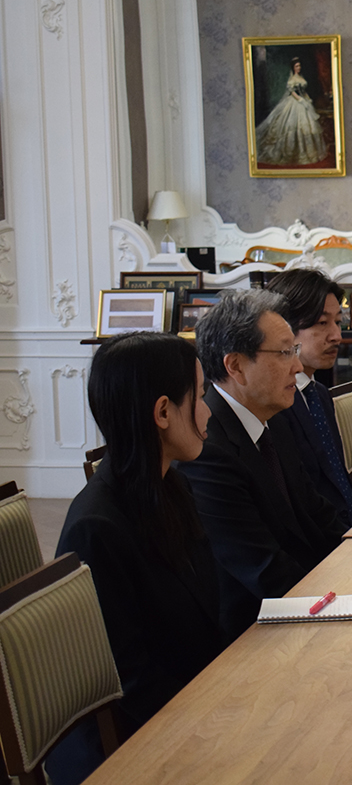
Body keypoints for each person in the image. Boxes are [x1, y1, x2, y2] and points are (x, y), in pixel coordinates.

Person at [47, 333, 228, 785]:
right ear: (163, 412)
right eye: (200, 396)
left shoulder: (171, 485)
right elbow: (128, 683)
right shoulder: (97, 529)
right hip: (129, 749)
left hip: (189, 707)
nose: (208, 412)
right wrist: (224, 716)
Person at [177, 289, 344, 635]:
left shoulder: (273, 420)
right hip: (253, 631)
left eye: (294, 351)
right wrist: (344, 599)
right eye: (285, 353)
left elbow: (318, 515)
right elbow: (263, 570)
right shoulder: (206, 451)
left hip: (305, 599)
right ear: (236, 366)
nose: (297, 366)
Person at [267, 269, 352, 528]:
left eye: (338, 322)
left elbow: (341, 486)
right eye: (322, 323)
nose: (337, 336)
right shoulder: (274, 406)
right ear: (283, 328)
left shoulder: (319, 394)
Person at [254, 57, 328, 167]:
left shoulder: (301, 77)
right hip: (295, 102)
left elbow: (303, 91)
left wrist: (307, 98)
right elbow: (292, 92)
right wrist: (300, 100)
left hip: (304, 101)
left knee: (308, 126)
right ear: (293, 68)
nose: (299, 68)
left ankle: (307, 152)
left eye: (299, 66)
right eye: (296, 66)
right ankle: (293, 154)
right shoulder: (292, 79)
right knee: (292, 126)